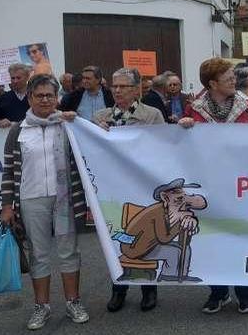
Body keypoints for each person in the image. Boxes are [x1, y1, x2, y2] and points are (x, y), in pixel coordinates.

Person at [177, 58, 248, 315]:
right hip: (209, 182)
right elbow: (181, 145)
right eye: (228, 78)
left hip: (241, 183)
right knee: (212, 237)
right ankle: (218, 292)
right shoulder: (195, 109)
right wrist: (183, 127)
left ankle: (244, 291)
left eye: (234, 77)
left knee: (242, 235)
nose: (235, 81)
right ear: (212, 83)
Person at [0, 74, 89, 330]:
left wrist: (79, 121)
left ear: (57, 97)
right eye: (39, 95)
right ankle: (42, 306)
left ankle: (73, 301)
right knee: (38, 254)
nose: (45, 100)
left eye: (50, 95)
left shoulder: (67, 125)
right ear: (29, 98)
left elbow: (95, 138)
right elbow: (8, 171)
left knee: (68, 251)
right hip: (31, 198)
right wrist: (7, 206)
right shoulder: (18, 130)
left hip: (64, 198)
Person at [95, 68, 165, 313]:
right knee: (115, 238)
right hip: (112, 189)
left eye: (123, 86)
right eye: (115, 86)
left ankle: (149, 288)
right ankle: (119, 288)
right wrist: (98, 131)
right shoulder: (100, 116)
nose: (117, 90)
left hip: (141, 186)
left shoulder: (152, 115)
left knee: (144, 238)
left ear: (136, 89)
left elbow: (162, 150)